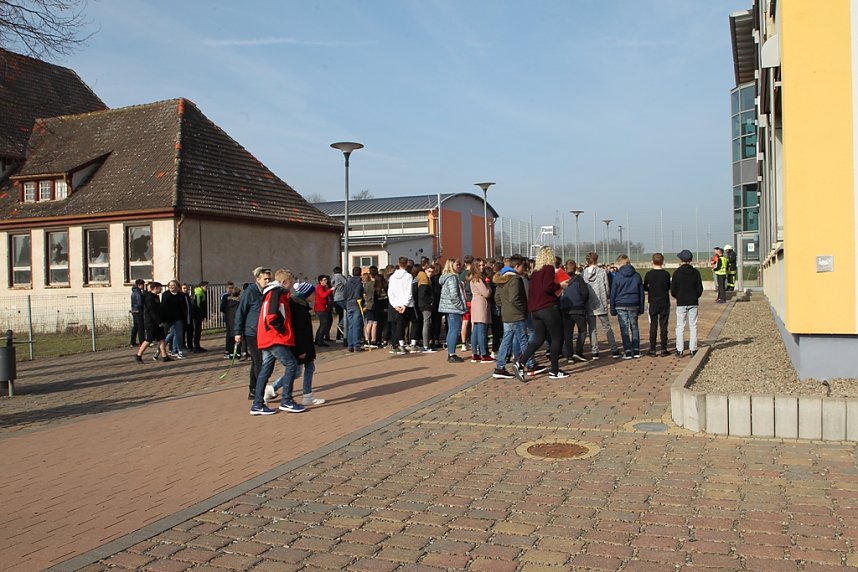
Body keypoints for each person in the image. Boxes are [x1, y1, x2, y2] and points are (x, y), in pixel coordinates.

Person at [266, 281, 325, 406]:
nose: (315, 295)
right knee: (297, 371)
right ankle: (274, 389)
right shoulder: (299, 308)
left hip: (303, 344)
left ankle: (306, 394)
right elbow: (299, 331)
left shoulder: (300, 305)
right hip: (300, 346)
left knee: (306, 368)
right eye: (313, 293)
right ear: (307, 294)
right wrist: (301, 350)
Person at [252, 268, 302, 415]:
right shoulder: (276, 293)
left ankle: (258, 404)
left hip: (266, 337)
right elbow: (272, 316)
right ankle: (286, 400)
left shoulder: (271, 293)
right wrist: (281, 330)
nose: (292, 286)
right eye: (291, 283)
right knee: (291, 364)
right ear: (284, 282)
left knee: (265, 370)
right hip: (274, 337)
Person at [515, 246, 569, 380]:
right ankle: (554, 370)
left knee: (538, 338)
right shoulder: (549, 268)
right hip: (548, 308)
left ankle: (521, 362)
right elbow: (548, 287)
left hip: (535, 310)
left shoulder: (535, 272)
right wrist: (560, 285)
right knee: (557, 338)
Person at [492, 255, 543, 380]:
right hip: (516, 313)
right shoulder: (515, 279)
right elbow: (515, 298)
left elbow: (497, 298)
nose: (523, 269)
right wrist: (523, 309)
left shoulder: (502, 278)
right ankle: (530, 364)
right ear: (517, 266)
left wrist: (505, 306)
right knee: (523, 339)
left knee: (506, 340)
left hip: (506, 313)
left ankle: (500, 366)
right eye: (522, 267)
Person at [235, 267, 271, 400]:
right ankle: (260, 391)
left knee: (258, 361)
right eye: (265, 279)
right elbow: (241, 311)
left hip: (264, 331)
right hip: (252, 331)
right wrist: (237, 332)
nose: (267, 281)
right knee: (259, 360)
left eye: (269, 279)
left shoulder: (268, 292)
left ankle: (253, 389)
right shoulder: (250, 291)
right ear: (258, 279)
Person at [582, 252, 621, 359]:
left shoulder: (584, 273)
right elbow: (607, 287)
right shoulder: (602, 272)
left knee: (592, 328)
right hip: (601, 301)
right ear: (596, 260)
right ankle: (613, 349)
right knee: (607, 326)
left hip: (589, 303)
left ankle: (595, 351)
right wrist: (606, 297)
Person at [610, 254, 645, 359]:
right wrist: (641, 307)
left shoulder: (617, 276)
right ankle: (636, 350)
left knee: (624, 328)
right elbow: (641, 293)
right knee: (634, 327)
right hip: (634, 303)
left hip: (620, 304)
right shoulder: (637, 275)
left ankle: (628, 351)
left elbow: (613, 293)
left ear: (620, 264)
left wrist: (612, 308)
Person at [671, 249, 704, 357]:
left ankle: (679, 350)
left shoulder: (677, 273)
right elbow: (700, 288)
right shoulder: (695, 273)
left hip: (681, 302)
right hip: (693, 301)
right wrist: (695, 296)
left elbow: (673, 290)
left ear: (681, 259)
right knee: (693, 325)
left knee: (680, 326)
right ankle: (693, 349)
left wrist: (678, 297)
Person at [559, 260, 589, 363]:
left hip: (565, 309)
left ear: (565, 267)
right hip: (578, 308)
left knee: (568, 332)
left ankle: (569, 355)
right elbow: (585, 293)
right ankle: (578, 351)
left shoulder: (561, 280)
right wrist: (581, 302)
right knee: (583, 330)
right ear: (575, 268)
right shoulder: (579, 279)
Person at [438, 258, 467, 363]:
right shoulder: (452, 279)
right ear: (451, 266)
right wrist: (461, 306)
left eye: (460, 264)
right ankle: (451, 353)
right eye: (457, 265)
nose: (459, 266)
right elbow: (454, 295)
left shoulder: (450, 278)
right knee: (454, 330)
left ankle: (451, 352)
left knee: (452, 330)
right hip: (453, 308)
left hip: (449, 307)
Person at [134, 281, 171, 363]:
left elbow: (158, 309)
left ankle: (164, 356)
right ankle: (138, 355)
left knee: (161, 338)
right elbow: (152, 311)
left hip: (158, 321)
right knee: (149, 339)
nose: (161, 289)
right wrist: (159, 321)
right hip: (151, 322)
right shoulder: (149, 298)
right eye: (160, 287)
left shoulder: (156, 297)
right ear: (155, 288)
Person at [643, 253, 672, 356]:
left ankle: (652, 349)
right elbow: (668, 286)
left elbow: (645, 287)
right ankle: (664, 348)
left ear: (652, 261)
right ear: (662, 262)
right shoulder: (666, 274)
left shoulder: (649, 274)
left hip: (653, 302)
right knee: (664, 325)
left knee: (653, 325)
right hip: (664, 301)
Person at [387, 256, 415, 355]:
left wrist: (395, 305)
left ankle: (401, 345)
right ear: (406, 264)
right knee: (414, 322)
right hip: (407, 304)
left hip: (397, 304)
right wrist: (405, 304)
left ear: (398, 264)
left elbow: (390, 292)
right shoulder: (408, 276)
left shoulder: (392, 277)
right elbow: (409, 291)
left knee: (400, 325)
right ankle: (413, 344)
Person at [468, 263, 493, 363]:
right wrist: (489, 289)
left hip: (477, 303)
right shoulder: (477, 279)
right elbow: (486, 292)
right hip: (480, 304)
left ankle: (475, 353)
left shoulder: (474, 278)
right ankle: (483, 354)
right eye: (479, 265)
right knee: (481, 329)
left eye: (483, 265)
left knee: (476, 330)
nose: (482, 267)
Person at [161, 279, 188, 359]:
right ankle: (159, 351)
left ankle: (179, 351)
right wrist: (162, 318)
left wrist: (184, 317)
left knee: (179, 335)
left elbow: (184, 307)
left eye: (173, 285)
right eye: (170, 285)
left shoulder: (181, 295)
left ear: (177, 286)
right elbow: (163, 306)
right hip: (168, 318)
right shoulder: (166, 294)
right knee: (165, 335)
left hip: (178, 318)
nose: (171, 287)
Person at [344, 266, 365, 352]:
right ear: (360, 273)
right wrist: (362, 301)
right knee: (357, 325)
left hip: (349, 304)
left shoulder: (348, 282)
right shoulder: (359, 283)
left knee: (351, 326)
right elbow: (358, 295)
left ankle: (350, 345)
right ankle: (356, 344)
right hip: (356, 304)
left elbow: (344, 294)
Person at [417, 264, 436, 353]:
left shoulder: (426, 279)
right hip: (425, 305)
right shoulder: (424, 280)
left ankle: (426, 344)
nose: (430, 273)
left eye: (432, 272)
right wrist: (430, 301)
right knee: (426, 323)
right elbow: (422, 294)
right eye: (429, 271)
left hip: (424, 304)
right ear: (425, 271)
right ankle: (426, 345)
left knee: (427, 323)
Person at [313, 275, 333, 346]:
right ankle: (320, 341)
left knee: (323, 324)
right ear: (320, 281)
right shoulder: (319, 287)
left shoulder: (323, 287)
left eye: (326, 280)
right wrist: (330, 290)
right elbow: (323, 295)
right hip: (320, 308)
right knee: (324, 324)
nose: (325, 281)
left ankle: (318, 339)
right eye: (324, 280)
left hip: (322, 307)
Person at [330, 266, 347, 343]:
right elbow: (347, 284)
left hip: (335, 298)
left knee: (341, 315)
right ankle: (341, 325)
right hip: (341, 298)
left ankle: (338, 336)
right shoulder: (340, 277)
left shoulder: (332, 278)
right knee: (348, 311)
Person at [223, 286, 241, 358]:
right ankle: (238, 352)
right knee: (237, 336)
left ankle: (230, 352)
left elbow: (223, 309)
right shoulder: (238, 303)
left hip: (229, 321)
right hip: (235, 321)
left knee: (230, 337)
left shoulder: (227, 302)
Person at [191, 281, 209, 352]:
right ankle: (196, 346)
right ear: (202, 286)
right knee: (197, 331)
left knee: (198, 331)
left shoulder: (202, 293)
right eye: (206, 286)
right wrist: (201, 313)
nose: (207, 288)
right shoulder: (198, 293)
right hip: (197, 315)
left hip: (199, 314)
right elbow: (198, 304)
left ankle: (197, 345)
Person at [220, 281, 235, 357]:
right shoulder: (225, 296)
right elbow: (222, 307)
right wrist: (228, 312)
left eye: (232, 288)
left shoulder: (233, 296)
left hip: (232, 318)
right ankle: (227, 350)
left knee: (232, 334)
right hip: (228, 318)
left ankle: (231, 350)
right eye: (229, 288)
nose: (231, 289)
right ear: (226, 288)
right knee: (229, 334)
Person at [130, 279, 145, 346]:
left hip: (134, 310)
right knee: (141, 327)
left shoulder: (133, 292)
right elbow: (140, 303)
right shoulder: (138, 293)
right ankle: (142, 342)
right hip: (139, 311)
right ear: (140, 285)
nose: (143, 286)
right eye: (143, 285)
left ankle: (132, 342)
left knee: (135, 326)